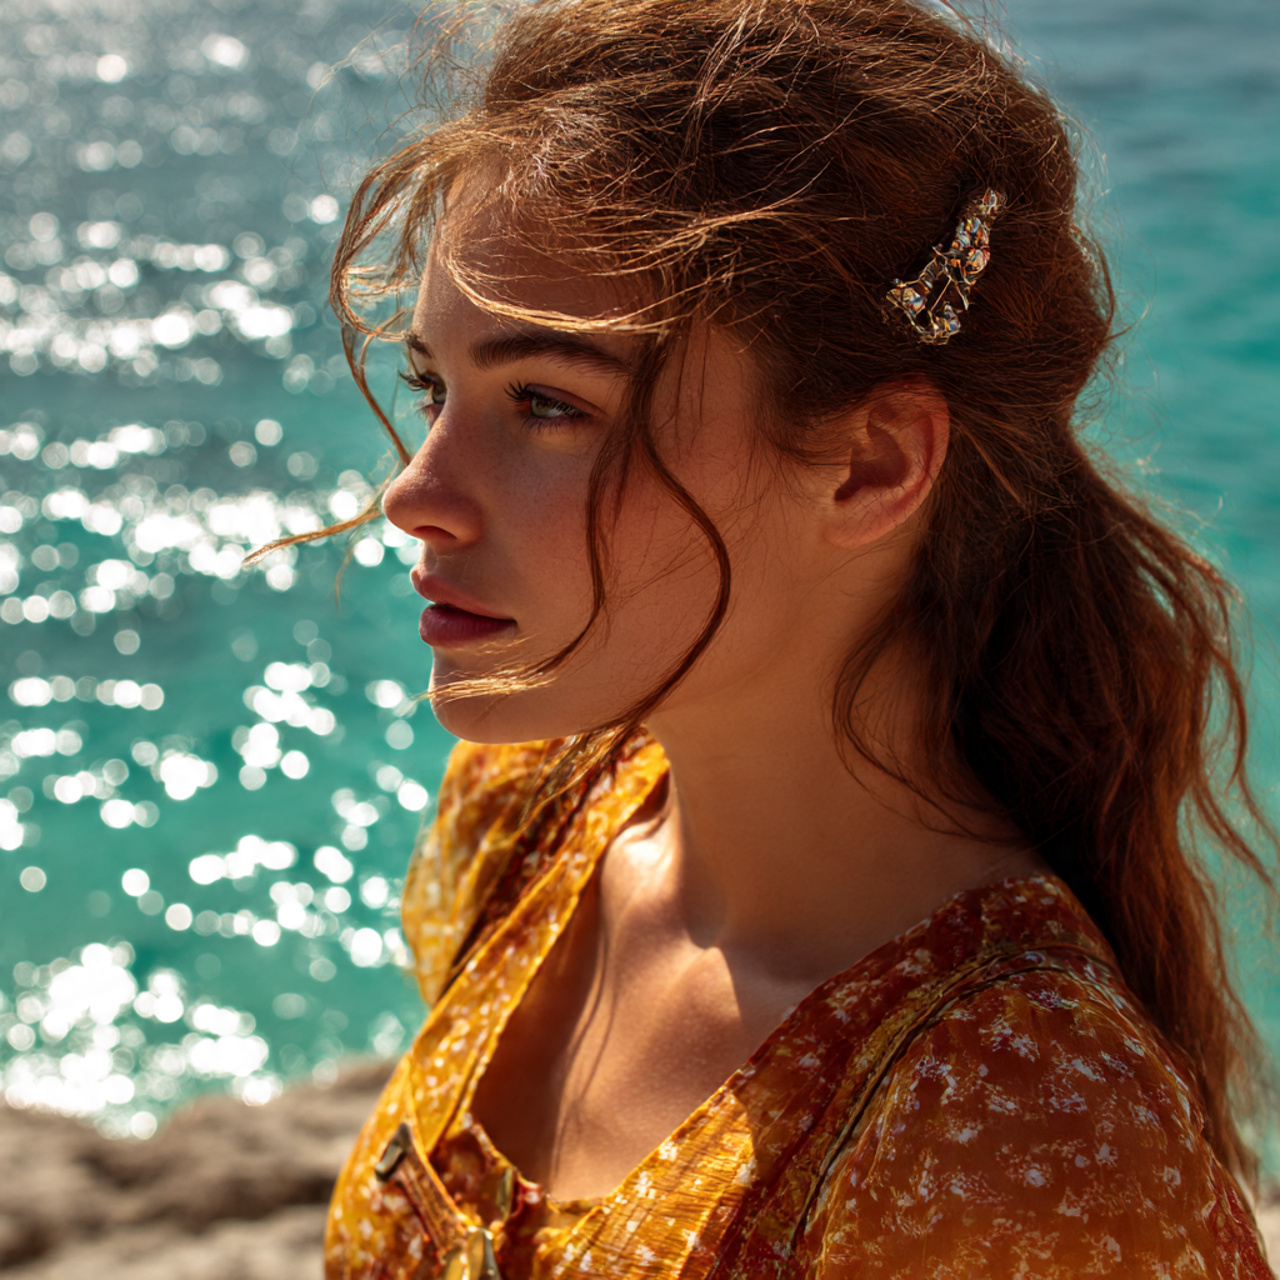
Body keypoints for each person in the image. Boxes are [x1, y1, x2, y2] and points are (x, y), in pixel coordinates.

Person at [292, 0, 1277, 1274]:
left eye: (545, 401)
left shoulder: (1013, 1135)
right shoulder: (537, 804)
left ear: (870, 464)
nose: (414, 490)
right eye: (436, 385)